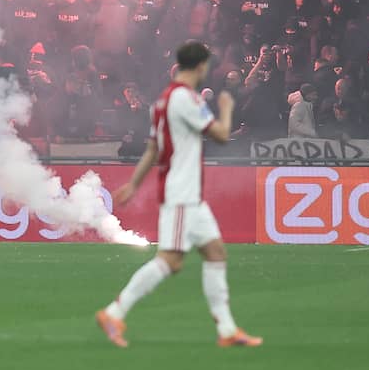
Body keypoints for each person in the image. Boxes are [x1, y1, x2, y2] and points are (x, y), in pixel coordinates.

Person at [95, 41, 262, 348]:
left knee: (215, 253)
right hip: (182, 193)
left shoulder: (161, 102)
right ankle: (113, 312)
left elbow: (153, 149)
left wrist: (134, 184)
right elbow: (222, 135)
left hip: (188, 195)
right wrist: (225, 108)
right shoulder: (187, 99)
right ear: (200, 67)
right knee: (170, 261)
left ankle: (227, 330)